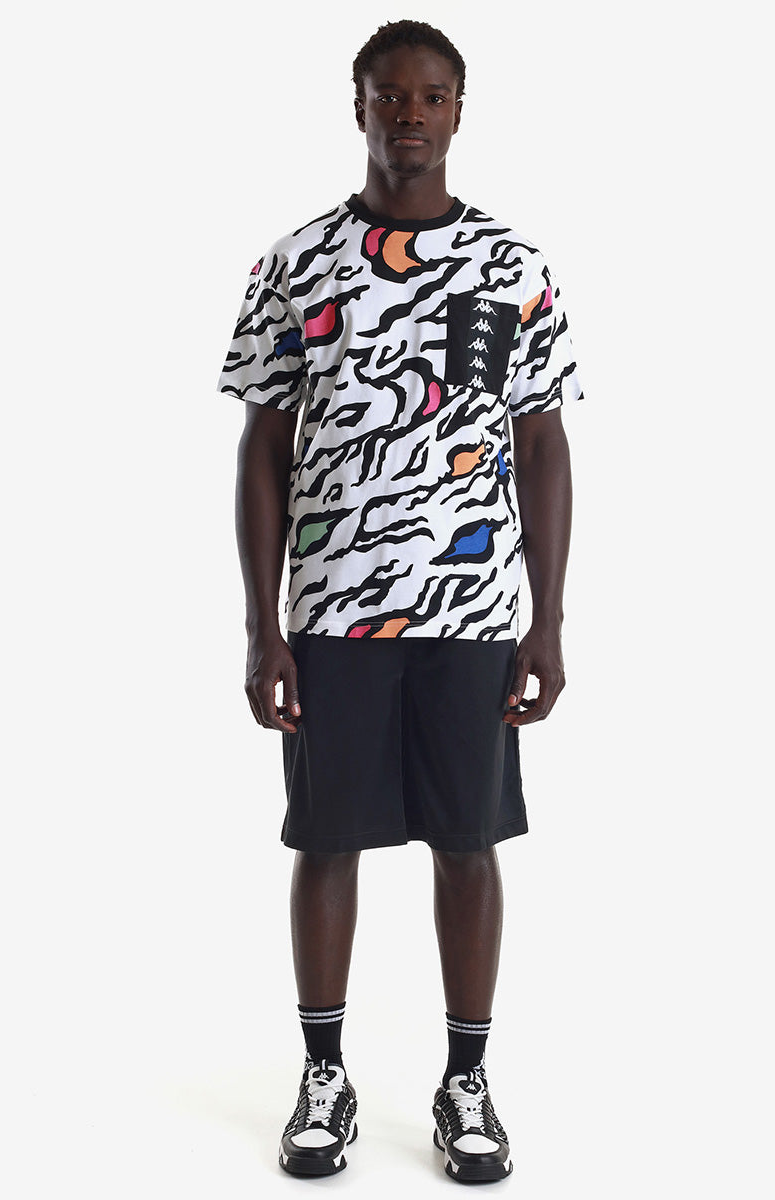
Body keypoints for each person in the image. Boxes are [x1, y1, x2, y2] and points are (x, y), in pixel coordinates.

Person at [217, 18, 583, 1182]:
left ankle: (466, 1080)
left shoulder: (513, 267)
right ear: (359, 106)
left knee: (469, 842)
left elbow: (544, 445)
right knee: (327, 839)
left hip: (471, 613)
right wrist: (263, 628)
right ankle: (323, 1076)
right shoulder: (297, 264)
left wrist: (548, 619)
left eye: (431, 96)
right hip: (335, 612)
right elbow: (263, 448)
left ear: (459, 111)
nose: (410, 113)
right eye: (390, 94)